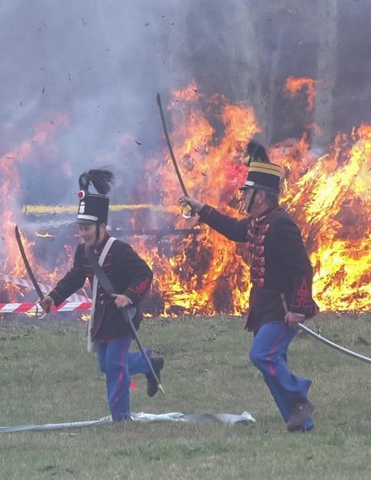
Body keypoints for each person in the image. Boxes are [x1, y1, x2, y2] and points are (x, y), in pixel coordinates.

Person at [180, 140, 318, 432]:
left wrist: (298, 308)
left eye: (247, 192)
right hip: (265, 306)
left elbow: (302, 269)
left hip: (284, 306)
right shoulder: (258, 222)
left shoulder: (281, 223)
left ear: (261, 196)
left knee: (262, 355)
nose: (242, 197)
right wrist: (202, 210)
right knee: (271, 361)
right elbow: (233, 229)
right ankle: (299, 422)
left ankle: (299, 395)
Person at [39, 169, 160, 421]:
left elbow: (145, 275)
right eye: (80, 228)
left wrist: (129, 295)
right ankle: (149, 362)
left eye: (87, 228)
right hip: (101, 319)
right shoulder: (83, 252)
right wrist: (53, 297)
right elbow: (75, 277)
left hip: (123, 318)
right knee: (106, 365)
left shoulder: (120, 250)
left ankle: (121, 417)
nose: (82, 234)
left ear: (101, 226)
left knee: (115, 366)